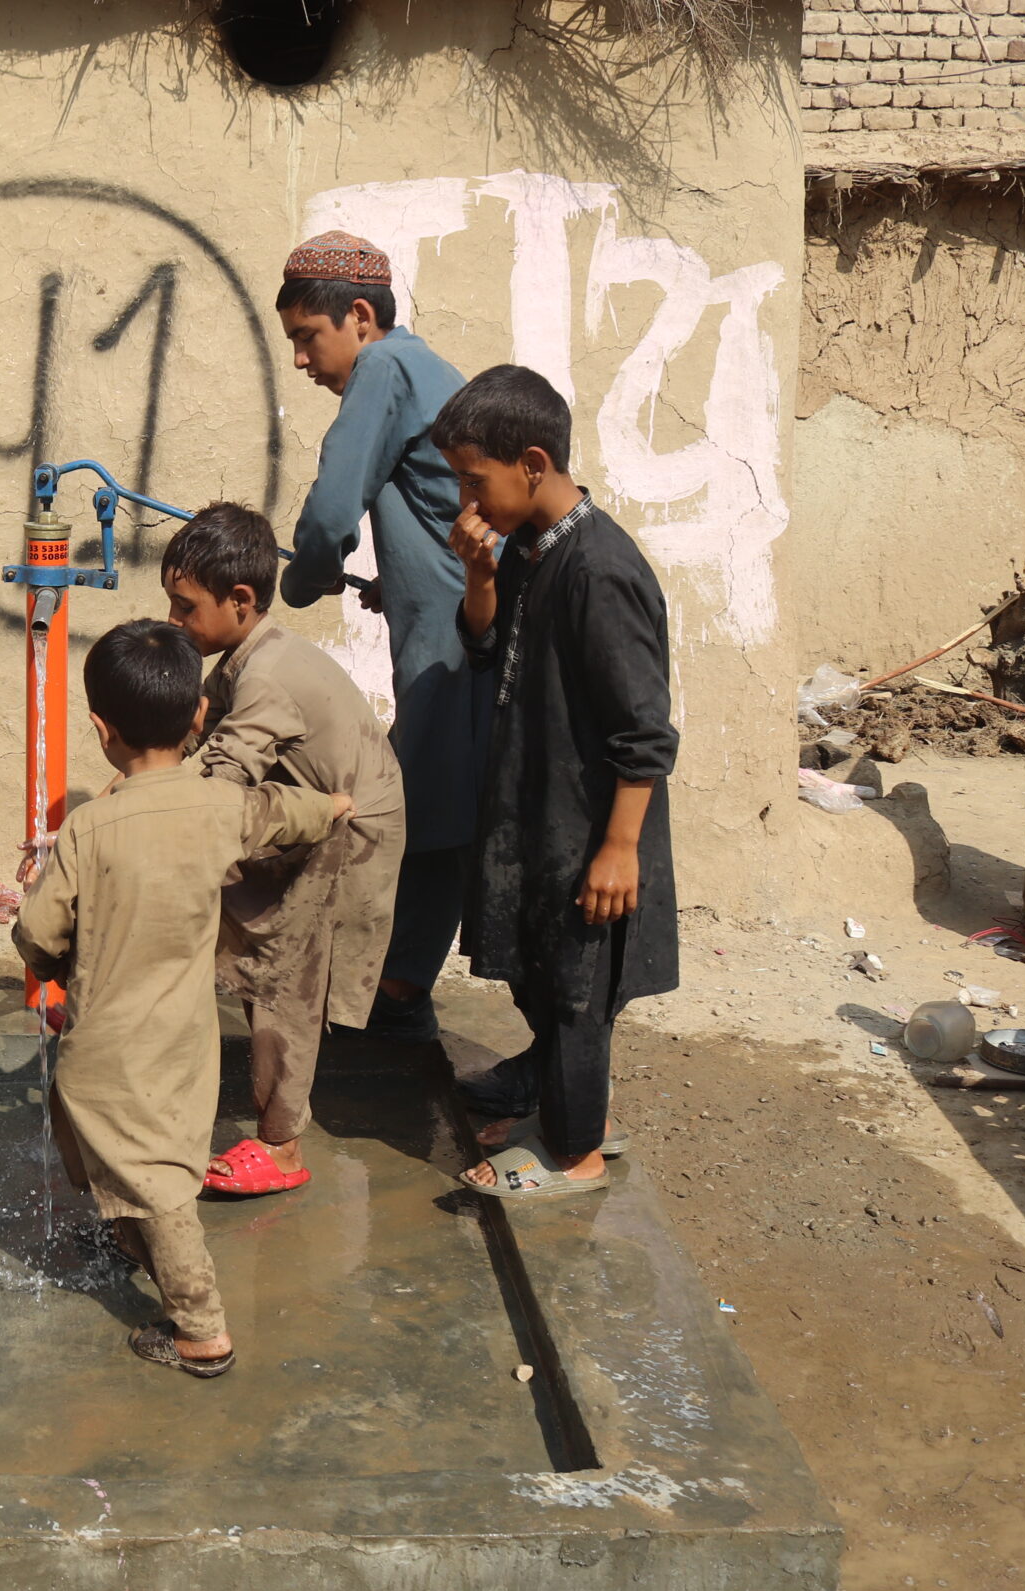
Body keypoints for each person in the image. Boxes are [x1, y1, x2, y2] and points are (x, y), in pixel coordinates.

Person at [13, 619, 351, 1375]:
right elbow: (284, 811)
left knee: (155, 1181)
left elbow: (37, 934)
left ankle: (201, 1330)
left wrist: (49, 955)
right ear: (200, 716)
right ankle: (128, 1234)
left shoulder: (88, 830)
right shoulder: (222, 806)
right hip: (183, 1040)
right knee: (137, 1155)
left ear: (101, 729)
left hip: (109, 1049)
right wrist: (333, 807)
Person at [431, 364, 680, 1199]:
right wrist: (479, 574)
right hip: (538, 804)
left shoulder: (599, 570)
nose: (465, 501)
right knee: (539, 967)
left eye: (475, 480)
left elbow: (644, 729)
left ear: (532, 464)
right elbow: (485, 648)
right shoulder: (532, 550)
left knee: (578, 986)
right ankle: (562, 1102)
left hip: (588, 823)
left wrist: (619, 847)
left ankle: (576, 1150)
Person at [271, 229, 490, 1041]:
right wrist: (392, 581)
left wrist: (300, 579)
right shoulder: (422, 366)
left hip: (451, 641)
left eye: (307, 336)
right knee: (436, 797)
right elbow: (431, 512)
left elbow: (332, 509)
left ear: (359, 317)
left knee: (426, 804)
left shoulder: (384, 368)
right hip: (451, 624)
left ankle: (397, 990)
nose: (301, 360)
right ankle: (399, 982)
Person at [159, 503, 405, 1197]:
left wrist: (126, 818)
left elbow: (218, 779)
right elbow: (186, 742)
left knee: (284, 976)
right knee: (236, 926)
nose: (175, 621)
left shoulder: (266, 676)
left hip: (349, 836)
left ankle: (282, 1146)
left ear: (240, 600)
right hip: (315, 815)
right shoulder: (248, 656)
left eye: (185, 607)